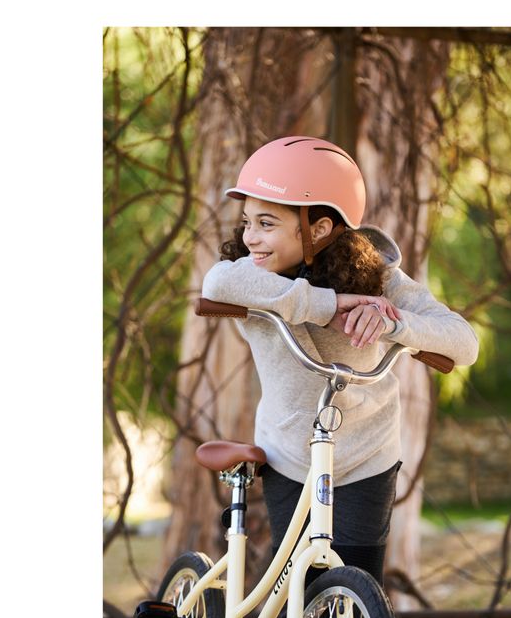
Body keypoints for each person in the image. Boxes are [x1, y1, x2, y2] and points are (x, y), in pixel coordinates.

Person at [202, 135, 479, 592]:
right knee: (297, 593)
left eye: (267, 223)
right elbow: (217, 283)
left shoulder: (381, 278)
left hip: (368, 453)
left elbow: (464, 343)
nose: (251, 236)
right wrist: (327, 305)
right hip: (288, 451)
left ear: (318, 229)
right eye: (248, 221)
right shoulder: (251, 274)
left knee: (358, 590)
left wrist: (391, 321)